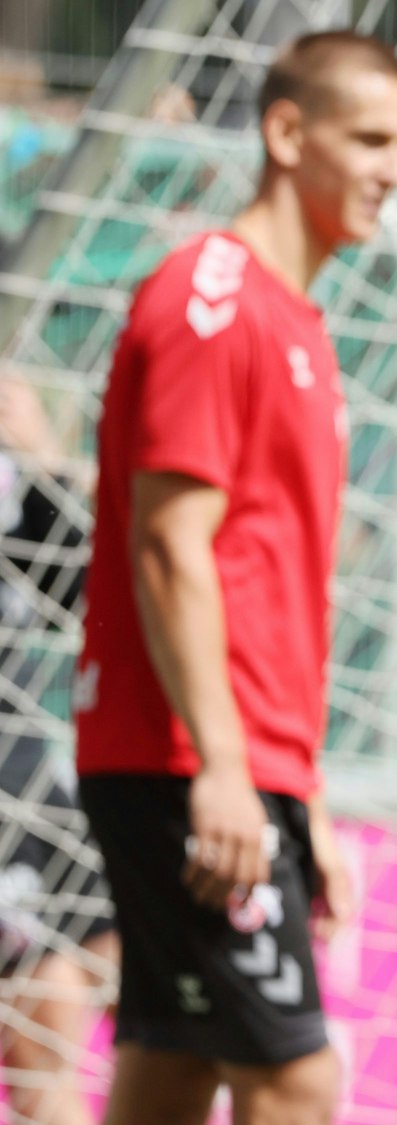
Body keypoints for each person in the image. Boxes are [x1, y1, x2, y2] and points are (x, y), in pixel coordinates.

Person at [70, 31, 397, 1125]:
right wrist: (227, 770)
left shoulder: (299, 323)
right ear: (283, 132)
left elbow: (266, 585)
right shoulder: (211, 298)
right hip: (183, 757)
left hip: (230, 761)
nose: (394, 170)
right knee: (293, 1077)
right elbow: (172, 544)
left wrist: (297, 799)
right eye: (369, 138)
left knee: (171, 1073)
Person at [0, 373, 117, 1125]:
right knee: (42, 1028)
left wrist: (45, 455)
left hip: (25, 775)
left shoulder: (11, 470)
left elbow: (88, 591)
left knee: (137, 983)